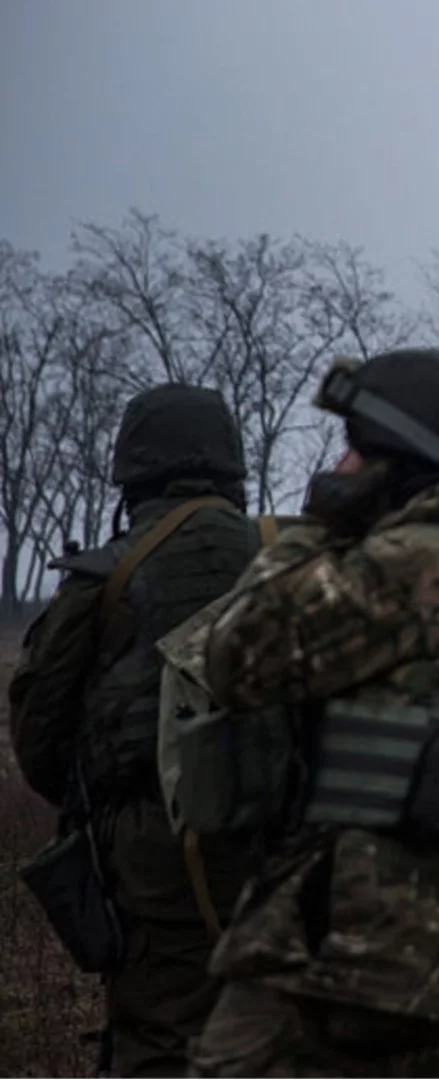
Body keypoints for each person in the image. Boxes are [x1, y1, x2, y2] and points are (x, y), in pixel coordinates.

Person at [179, 348, 439, 1077]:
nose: (343, 461)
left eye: (357, 447)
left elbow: (236, 653)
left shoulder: (420, 563)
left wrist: (320, 520)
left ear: (403, 455)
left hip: (328, 950)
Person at [8, 385, 265, 1076]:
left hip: (158, 860)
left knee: (161, 1040)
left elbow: (40, 743)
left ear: (132, 473)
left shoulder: (106, 577)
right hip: (294, 848)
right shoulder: (291, 556)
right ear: (232, 469)